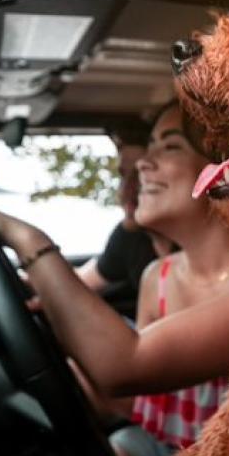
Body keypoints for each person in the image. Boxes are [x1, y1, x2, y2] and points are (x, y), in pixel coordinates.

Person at [0, 101, 229, 456]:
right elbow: (139, 399)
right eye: (149, 147)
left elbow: (125, 367)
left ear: (228, 170)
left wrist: (28, 240)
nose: (143, 164)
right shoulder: (159, 276)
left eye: (169, 147)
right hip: (159, 447)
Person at [74, 123, 173, 320]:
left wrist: (31, 242)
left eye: (141, 176)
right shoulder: (130, 236)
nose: (126, 190)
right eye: (123, 175)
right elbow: (80, 282)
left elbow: (136, 351)